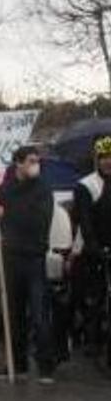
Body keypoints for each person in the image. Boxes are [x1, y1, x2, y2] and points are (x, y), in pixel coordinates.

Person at [0, 145, 56, 384]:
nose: (35, 164)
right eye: (30, 160)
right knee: (13, 314)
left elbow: (38, 220)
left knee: (39, 315)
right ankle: (18, 364)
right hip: (10, 258)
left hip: (34, 259)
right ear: (18, 163)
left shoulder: (43, 189)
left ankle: (46, 366)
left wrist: (5, 214)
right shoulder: (3, 191)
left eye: (37, 161)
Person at [71, 136, 111, 362]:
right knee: (94, 297)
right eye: (104, 157)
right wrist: (95, 247)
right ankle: (92, 339)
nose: (108, 162)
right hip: (94, 248)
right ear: (97, 159)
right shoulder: (86, 185)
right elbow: (84, 221)